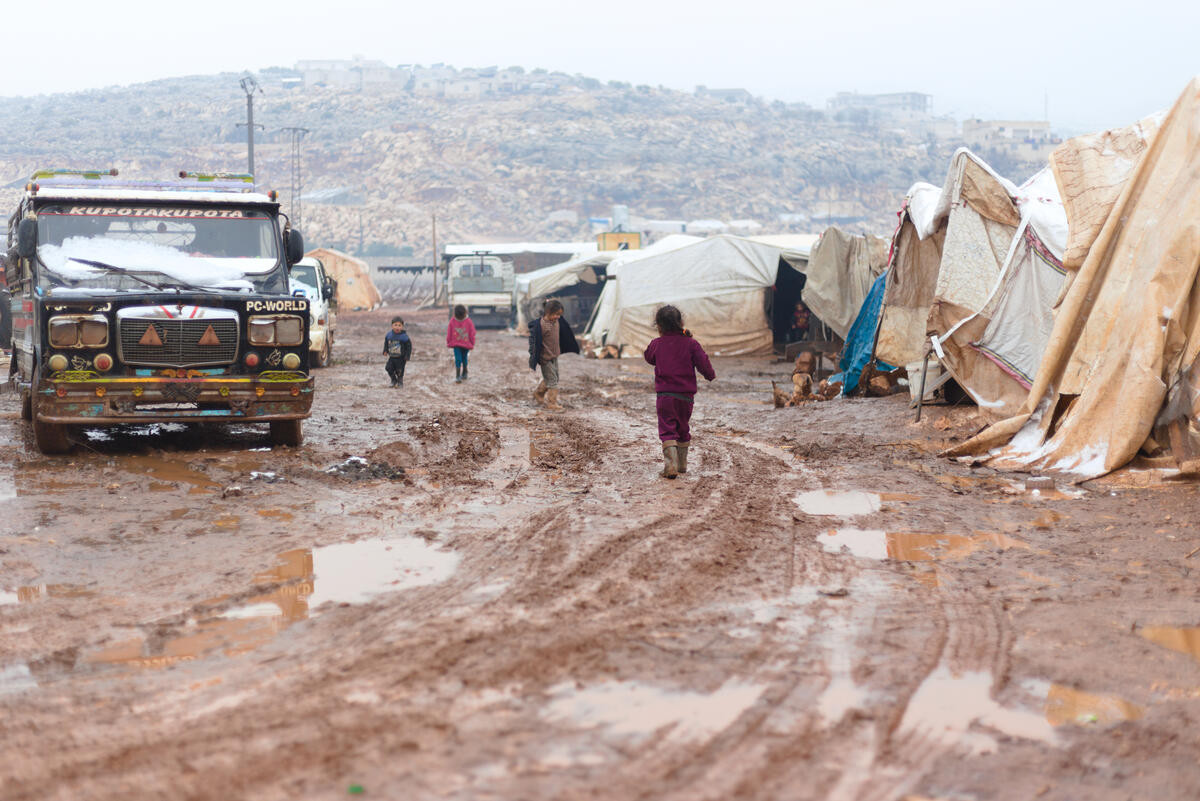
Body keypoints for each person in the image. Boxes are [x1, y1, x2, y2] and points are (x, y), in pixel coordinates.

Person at [643, 305, 716, 478]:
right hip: (686, 397)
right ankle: (682, 465)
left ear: (658, 325)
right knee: (683, 427)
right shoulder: (691, 343)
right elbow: (703, 363)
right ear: (681, 322)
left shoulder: (656, 344)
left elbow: (648, 357)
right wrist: (710, 375)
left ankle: (670, 466)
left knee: (668, 428)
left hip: (665, 397)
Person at [528, 298, 580, 411]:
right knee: (552, 381)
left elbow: (563, 324)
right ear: (548, 313)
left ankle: (538, 393)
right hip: (545, 358)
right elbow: (535, 342)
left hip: (554, 355)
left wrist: (550, 302)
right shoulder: (542, 325)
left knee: (553, 377)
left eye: (560, 315)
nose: (558, 317)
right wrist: (538, 357)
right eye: (556, 314)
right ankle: (552, 403)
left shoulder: (556, 321)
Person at [446, 304, 476, 383]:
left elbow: (472, 333)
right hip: (457, 344)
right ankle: (458, 375)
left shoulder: (468, 322)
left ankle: (465, 372)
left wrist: (472, 343)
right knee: (458, 359)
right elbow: (449, 332)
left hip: (465, 345)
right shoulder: (453, 321)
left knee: (464, 358)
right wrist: (449, 341)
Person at [382, 316, 412, 387]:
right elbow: (386, 343)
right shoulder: (389, 335)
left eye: (399, 325)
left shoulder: (404, 337)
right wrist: (385, 350)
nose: (397, 327)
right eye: (395, 325)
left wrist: (407, 356)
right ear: (392, 326)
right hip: (392, 356)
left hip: (401, 358)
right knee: (388, 368)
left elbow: (409, 347)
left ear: (402, 327)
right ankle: (393, 380)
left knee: (399, 371)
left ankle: (400, 382)